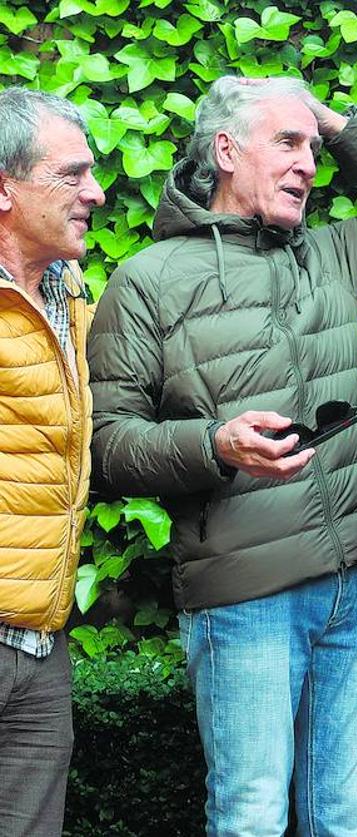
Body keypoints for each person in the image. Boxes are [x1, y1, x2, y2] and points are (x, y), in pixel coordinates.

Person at [87, 76, 357, 835]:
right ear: (225, 151)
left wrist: (330, 118)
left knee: (347, 814)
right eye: (287, 143)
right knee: (251, 817)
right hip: (244, 602)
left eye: (315, 149)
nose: (310, 164)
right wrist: (211, 444)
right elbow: (107, 445)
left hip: (356, 590)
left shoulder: (330, 256)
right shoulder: (146, 282)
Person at [0, 86, 105, 837]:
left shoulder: (71, 293)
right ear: (5, 186)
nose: (94, 192)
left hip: (42, 644)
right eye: (70, 175)